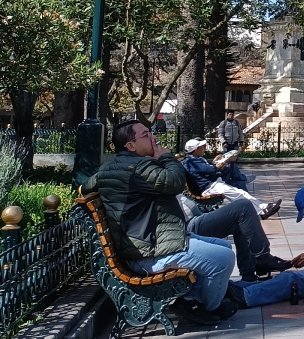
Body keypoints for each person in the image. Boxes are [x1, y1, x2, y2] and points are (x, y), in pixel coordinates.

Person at [83, 119, 238, 326]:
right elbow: (173, 182)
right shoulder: (137, 166)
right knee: (224, 257)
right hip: (149, 252)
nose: (153, 138)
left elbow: (85, 188)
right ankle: (206, 307)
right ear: (130, 146)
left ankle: (190, 298)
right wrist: (166, 157)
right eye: (145, 135)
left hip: (146, 244)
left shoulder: (112, 166)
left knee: (224, 245)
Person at [178, 195, 293, 283]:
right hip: (187, 227)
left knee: (242, 222)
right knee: (244, 207)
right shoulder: (162, 173)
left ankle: (249, 275)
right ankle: (263, 258)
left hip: (194, 219)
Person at [181, 138, 282, 220]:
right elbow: (213, 169)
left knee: (240, 192)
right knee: (239, 194)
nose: (203, 148)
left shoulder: (193, 160)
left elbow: (207, 170)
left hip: (211, 185)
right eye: (201, 147)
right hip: (208, 188)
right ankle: (262, 209)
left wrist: (217, 162)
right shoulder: (192, 162)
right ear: (195, 150)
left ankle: (263, 208)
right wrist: (225, 160)